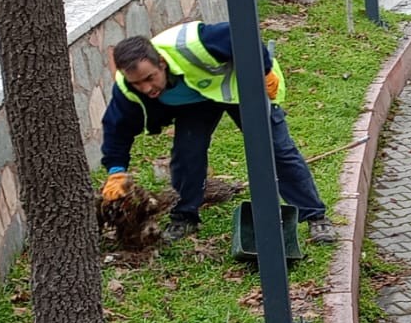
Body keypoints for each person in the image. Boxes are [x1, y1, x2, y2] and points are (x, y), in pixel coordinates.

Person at [99, 21, 338, 245]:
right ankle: (184, 218)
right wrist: (116, 171)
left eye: (150, 78)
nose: (145, 88)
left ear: (161, 62)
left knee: (277, 150)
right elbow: (117, 128)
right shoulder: (127, 87)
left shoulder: (194, 44)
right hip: (195, 102)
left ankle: (315, 217)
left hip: (241, 86)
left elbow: (243, 35)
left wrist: (264, 71)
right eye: (137, 83)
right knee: (187, 154)